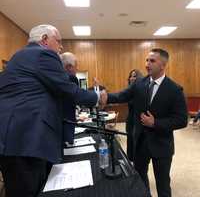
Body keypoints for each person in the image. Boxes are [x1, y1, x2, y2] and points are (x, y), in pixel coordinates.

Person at [0, 24, 107, 197]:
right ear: (44, 39)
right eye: (58, 41)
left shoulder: (19, 56)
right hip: (25, 138)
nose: (61, 46)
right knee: (29, 189)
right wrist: (96, 97)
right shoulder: (43, 54)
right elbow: (66, 89)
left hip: (13, 137)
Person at [106, 48, 188, 197]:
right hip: (141, 143)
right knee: (139, 178)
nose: (147, 64)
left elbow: (182, 120)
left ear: (163, 65)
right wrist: (103, 96)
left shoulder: (175, 90)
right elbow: (121, 96)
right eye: (146, 60)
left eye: (152, 61)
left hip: (162, 146)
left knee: (163, 184)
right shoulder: (139, 84)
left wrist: (155, 123)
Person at [60, 52, 79, 144]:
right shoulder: (71, 78)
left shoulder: (56, 77)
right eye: (76, 66)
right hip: (67, 121)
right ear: (69, 66)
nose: (77, 69)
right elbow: (76, 97)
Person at [126, 69, 143, 162]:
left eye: (134, 76)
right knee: (130, 142)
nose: (132, 78)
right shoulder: (129, 90)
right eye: (131, 76)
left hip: (138, 121)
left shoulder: (141, 90)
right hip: (130, 120)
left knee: (137, 144)